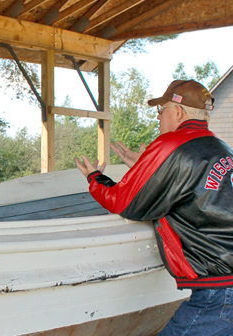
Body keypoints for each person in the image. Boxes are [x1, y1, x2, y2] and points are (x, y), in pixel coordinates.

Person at [75, 80, 233, 336]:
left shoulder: (171, 144)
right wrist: (146, 169)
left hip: (218, 292)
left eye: (161, 111)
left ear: (178, 112)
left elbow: (124, 202)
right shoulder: (222, 148)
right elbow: (190, 189)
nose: (158, 118)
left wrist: (95, 178)